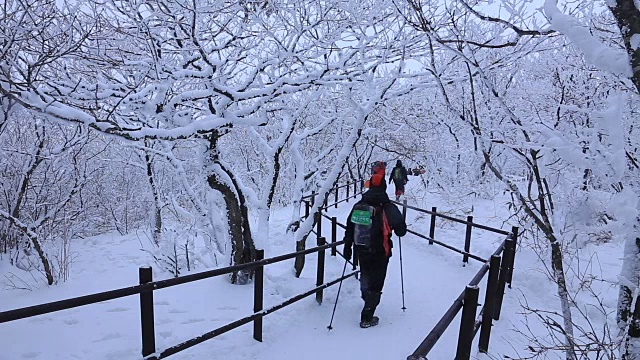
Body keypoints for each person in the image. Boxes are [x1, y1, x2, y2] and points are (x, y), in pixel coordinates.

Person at [343, 173, 407, 328]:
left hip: (361, 248)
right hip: (380, 250)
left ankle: (366, 297)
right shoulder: (388, 207)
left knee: (365, 273)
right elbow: (401, 231)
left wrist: (347, 247)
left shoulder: (359, 204)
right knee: (377, 282)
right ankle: (367, 316)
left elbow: (350, 227)